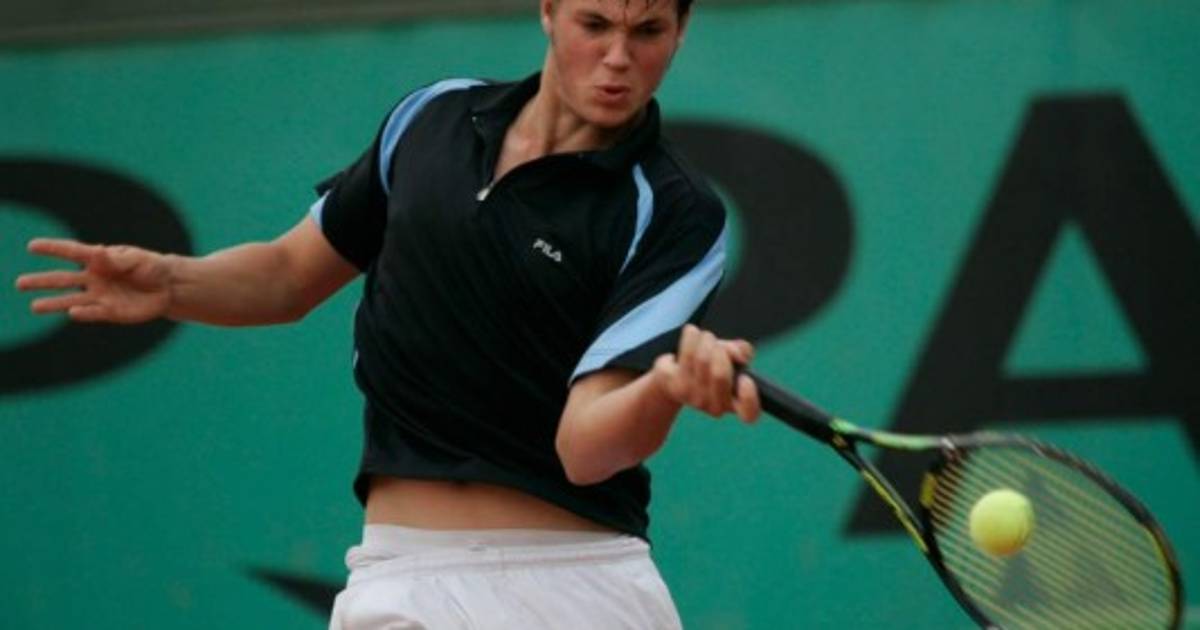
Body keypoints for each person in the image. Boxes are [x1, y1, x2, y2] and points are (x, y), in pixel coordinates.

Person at [16, 0, 761, 627]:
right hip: (396, 573)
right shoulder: (431, 118)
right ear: (548, 10)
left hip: (571, 588)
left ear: (681, 31)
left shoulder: (675, 211)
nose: (618, 59)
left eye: (648, 32)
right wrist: (173, 282)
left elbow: (586, 448)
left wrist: (663, 390)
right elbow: (288, 276)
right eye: (594, 25)